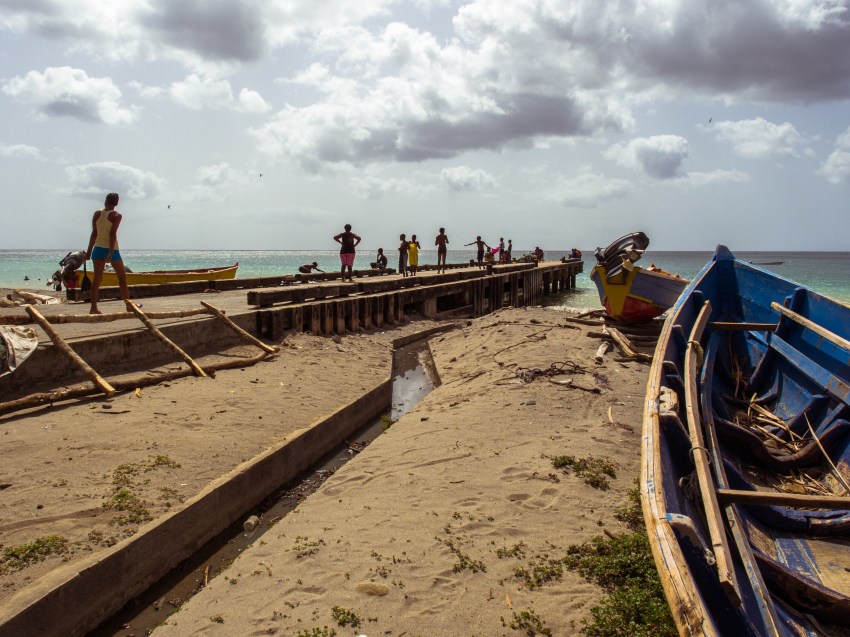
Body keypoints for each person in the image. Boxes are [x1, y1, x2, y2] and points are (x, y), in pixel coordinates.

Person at [85, 192, 132, 314]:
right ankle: (128, 305)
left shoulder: (97, 213)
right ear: (116, 203)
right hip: (112, 250)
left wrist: (88, 252)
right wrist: (111, 253)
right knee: (122, 277)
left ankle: (93, 308)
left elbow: (94, 234)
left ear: (106, 200)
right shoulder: (117, 215)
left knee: (97, 279)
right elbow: (112, 234)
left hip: (97, 249)